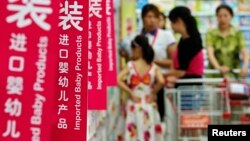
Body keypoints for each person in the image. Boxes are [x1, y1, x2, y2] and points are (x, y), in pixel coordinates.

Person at [120, 4, 177, 122]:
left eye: (155, 17)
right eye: (148, 17)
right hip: (137, 84)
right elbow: (130, 60)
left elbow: (173, 61)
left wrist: (151, 61)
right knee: (136, 118)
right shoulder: (134, 37)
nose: (152, 20)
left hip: (159, 82)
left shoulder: (167, 36)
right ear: (142, 18)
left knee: (160, 116)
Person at [118, 35, 165, 141]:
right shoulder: (153, 67)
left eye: (132, 49)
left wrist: (130, 92)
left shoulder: (130, 65)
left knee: (132, 134)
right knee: (149, 132)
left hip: (134, 103)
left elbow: (118, 79)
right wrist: (153, 93)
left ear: (137, 49)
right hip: (148, 104)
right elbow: (161, 81)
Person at [206, 4, 249, 78]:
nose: (222, 19)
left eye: (226, 16)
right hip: (215, 76)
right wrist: (219, 67)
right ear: (216, 17)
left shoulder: (237, 33)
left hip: (234, 74)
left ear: (231, 16)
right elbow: (210, 54)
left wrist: (245, 66)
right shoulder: (211, 33)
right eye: (220, 16)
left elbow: (244, 51)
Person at [166, 6, 204, 87]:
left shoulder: (190, 43)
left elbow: (181, 71)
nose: (171, 26)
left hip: (189, 86)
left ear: (179, 21)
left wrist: (161, 75)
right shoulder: (185, 39)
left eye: (172, 22)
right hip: (186, 85)